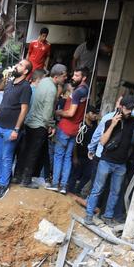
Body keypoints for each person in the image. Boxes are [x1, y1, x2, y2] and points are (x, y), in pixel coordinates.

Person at [83, 95, 134, 226]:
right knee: (97, 189)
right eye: (128, 108)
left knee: (115, 192)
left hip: (121, 165)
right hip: (106, 161)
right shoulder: (110, 120)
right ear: (121, 107)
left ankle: (107, 216)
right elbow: (102, 141)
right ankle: (88, 215)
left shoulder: (133, 121)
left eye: (132, 108)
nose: (130, 111)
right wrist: (113, 124)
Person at [0, 59, 32, 199]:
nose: (16, 66)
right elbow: (3, 106)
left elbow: (24, 110)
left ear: (25, 71)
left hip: (11, 129)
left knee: (7, 158)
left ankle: (3, 185)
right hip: (0, 126)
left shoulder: (26, 87)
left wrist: (16, 129)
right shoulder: (9, 84)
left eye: (20, 65)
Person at [52, 65, 88, 193]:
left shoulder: (78, 92)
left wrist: (59, 112)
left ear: (84, 77)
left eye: (77, 75)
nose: (73, 77)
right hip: (75, 129)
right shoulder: (85, 90)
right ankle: (63, 186)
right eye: (73, 74)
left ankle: (55, 184)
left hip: (66, 127)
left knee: (58, 155)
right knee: (67, 157)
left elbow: (71, 113)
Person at [16, 66, 54, 188]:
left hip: (25, 124)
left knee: (24, 151)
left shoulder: (29, 89)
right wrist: (49, 124)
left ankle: (18, 176)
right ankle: (26, 179)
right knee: (32, 153)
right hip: (36, 125)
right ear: (40, 79)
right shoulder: (34, 90)